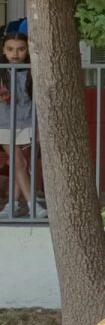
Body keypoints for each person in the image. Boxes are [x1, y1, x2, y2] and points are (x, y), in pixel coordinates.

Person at [0, 32, 43, 218]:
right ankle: (33, 205)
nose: (15, 54)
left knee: (21, 165)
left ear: (28, 50)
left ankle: (12, 206)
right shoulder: (1, 70)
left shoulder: (33, 70)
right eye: (10, 49)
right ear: (3, 50)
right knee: (18, 162)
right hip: (4, 122)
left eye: (21, 49)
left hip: (27, 121)